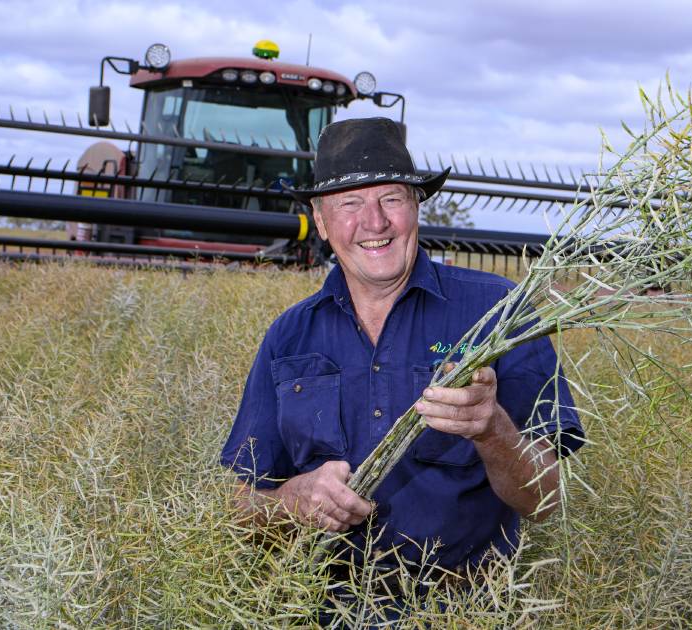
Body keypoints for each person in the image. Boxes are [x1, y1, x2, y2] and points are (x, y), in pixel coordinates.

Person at [219, 117, 584, 581]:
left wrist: (492, 429)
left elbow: (547, 499)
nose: (375, 222)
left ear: (416, 207)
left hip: (462, 608)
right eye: (350, 203)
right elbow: (241, 509)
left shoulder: (499, 312)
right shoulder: (290, 335)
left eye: (391, 198)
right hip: (319, 605)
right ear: (323, 221)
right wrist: (293, 500)